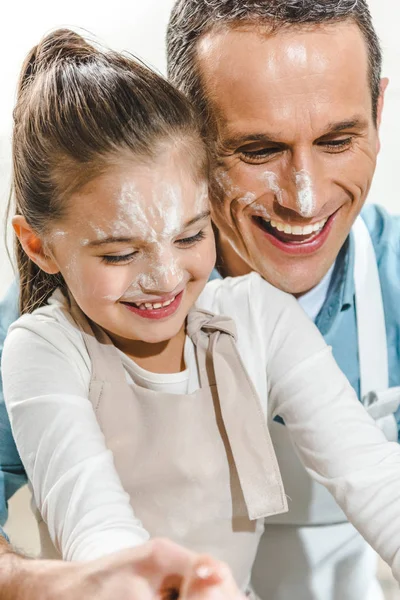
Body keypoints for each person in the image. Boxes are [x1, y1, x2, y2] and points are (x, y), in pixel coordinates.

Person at [4, 25, 400, 599]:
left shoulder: (256, 316)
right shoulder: (42, 347)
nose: (165, 278)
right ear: (39, 246)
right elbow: (97, 526)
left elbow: (373, 478)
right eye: (119, 252)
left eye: (191, 236)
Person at [166, 0, 400, 598]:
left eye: (337, 139)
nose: (304, 197)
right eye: (259, 150)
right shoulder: (92, 298)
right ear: (184, 136)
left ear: (379, 110)